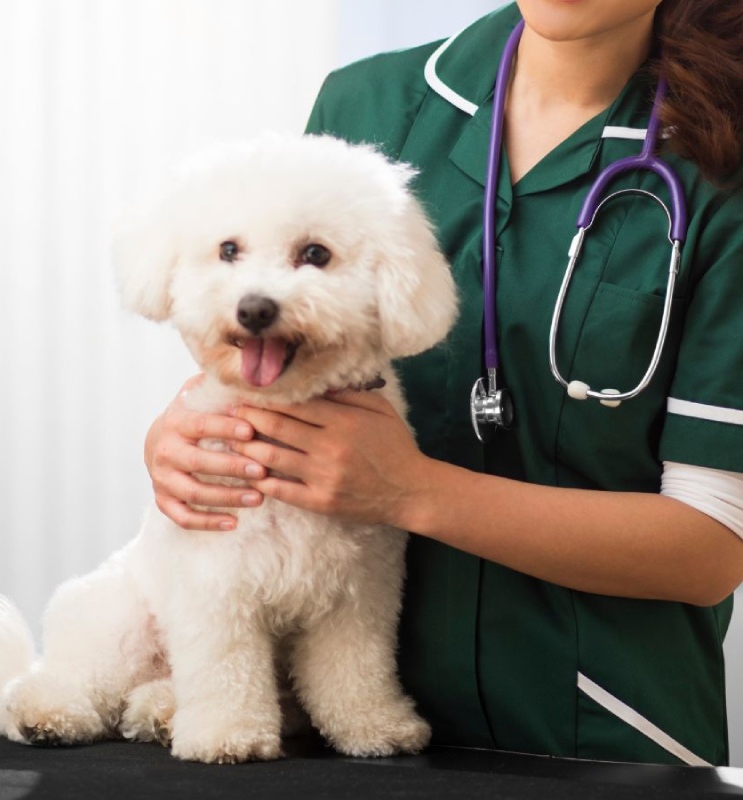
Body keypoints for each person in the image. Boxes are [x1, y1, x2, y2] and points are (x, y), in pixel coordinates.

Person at [141, 0, 743, 767]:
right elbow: (272, 329)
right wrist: (184, 435)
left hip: (600, 732)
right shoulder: (369, 104)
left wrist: (410, 491)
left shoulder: (722, 161)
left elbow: (713, 545)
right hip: (331, 738)